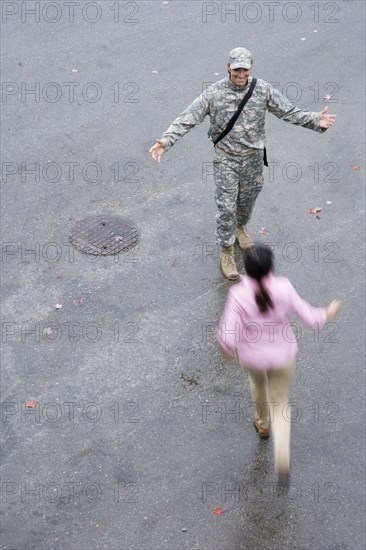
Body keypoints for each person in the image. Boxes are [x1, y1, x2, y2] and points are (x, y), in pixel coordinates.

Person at [149, 47, 336, 280]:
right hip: (226, 158)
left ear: (250, 68)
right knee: (226, 207)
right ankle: (226, 250)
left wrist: (315, 120)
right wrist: (165, 141)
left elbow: (289, 112)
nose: (240, 73)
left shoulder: (262, 89)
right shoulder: (213, 93)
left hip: (253, 157)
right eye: (236, 68)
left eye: (244, 69)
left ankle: (241, 227)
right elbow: (186, 119)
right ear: (228, 67)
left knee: (246, 202)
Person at [216, 243, 341, 481]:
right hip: (282, 355)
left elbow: (228, 333)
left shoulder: (238, 295)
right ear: (271, 267)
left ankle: (263, 424)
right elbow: (309, 317)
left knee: (257, 386)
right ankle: (282, 456)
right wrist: (329, 312)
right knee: (281, 402)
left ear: (247, 270)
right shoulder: (283, 287)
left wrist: (227, 352)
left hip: (252, 357)